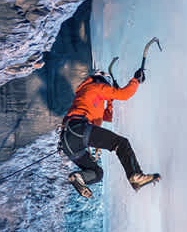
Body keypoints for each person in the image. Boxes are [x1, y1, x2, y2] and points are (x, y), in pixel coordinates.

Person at [59, 68, 159, 198]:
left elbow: (105, 118)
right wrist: (136, 80)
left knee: (97, 173)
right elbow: (124, 94)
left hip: (68, 142)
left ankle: (78, 177)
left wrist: (111, 99)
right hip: (78, 130)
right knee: (120, 143)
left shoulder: (87, 95)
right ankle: (135, 176)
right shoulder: (96, 87)